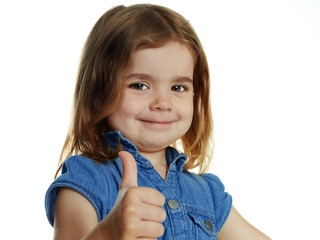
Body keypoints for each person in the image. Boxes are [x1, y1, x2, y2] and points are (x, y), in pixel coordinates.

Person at [45, 4, 271, 240]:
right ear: (99, 91)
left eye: (178, 87)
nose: (163, 102)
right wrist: (108, 234)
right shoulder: (85, 178)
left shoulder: (209, 193)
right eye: (139, 85)